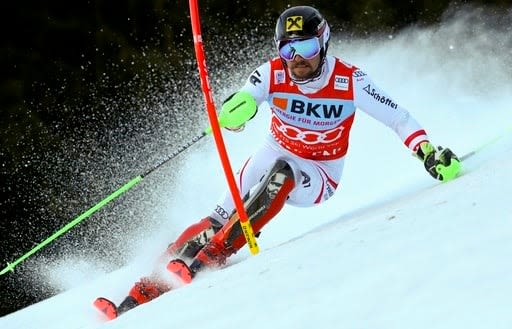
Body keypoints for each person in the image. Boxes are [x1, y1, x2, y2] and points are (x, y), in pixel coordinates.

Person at [94, 5, 461, 319]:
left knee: (280, 176)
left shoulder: (350, 80)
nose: (297, 58)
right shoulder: (273, 73)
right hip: (273, 151)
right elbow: (244, 100)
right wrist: (234, 111)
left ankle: (216, 253)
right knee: (217, 216)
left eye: (306, 46)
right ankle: (138, 293)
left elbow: (398, 118)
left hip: (319, 174)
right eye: (288, 49)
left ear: (324, 43)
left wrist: (428, 153)